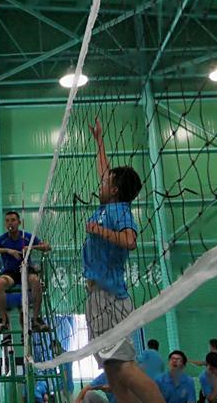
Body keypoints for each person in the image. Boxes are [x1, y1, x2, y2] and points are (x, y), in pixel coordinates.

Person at [84, 118, 163, 403]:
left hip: (110, 299)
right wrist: (99, 141)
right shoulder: (110, 206)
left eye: (106, 183)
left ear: (115, 190)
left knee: (125, 368)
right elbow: (105, 171)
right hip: (97, 298)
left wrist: (99, 231)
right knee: (111, 370)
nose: (101, 183)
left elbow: (130, 241)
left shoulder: (118, 211)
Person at [0, 211, 52, 333]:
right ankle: (3, 321)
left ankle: (35, 320)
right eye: (7, 221)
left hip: (25, 271)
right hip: (10, 274)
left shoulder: (27, 237)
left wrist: (31, 247)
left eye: (13, 220)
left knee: (36, 281)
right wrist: (7, 250)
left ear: (19, 222)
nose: (10, 223)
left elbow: (47, 247)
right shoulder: (3, 239)